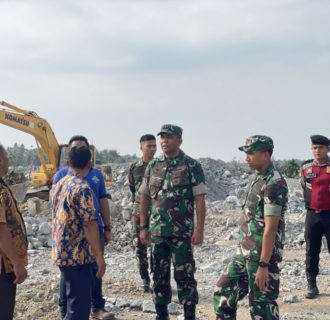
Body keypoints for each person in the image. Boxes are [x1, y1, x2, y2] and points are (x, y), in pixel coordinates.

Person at [213, 135, 288, 320]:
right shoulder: (258, 178)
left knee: (261, 307)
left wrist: (263, 265)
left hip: (262, 257)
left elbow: (271, 228)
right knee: (224, 291)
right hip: (244, 253)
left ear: (265, 155)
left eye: (251, 153)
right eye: (245, 153)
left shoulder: (273, 183)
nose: (246, 157)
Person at [139, 124, 206, 320]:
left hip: (182, 234)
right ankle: (161, 315)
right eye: (162, 137)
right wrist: (143, 227)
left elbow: (200, 200)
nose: (164, 141)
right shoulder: (153, 166)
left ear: (180, 140)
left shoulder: (191, 166)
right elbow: (144, 198)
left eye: (169, 137)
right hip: (157, 233)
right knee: (158, 276)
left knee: (184, 277)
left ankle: (189, 315)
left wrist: (199, 229)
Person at [53, 135, 113, 320]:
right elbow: (89, 224)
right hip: (78, 255)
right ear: (89, 164)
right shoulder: (82, 187)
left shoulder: (60, 184)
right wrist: (99, 256)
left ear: (69, 162)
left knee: (74, 302)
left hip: (63, 250)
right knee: (79, 307)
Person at [0, 144, 28, 320]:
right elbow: (0, 228)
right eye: (7, 159)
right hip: (3, 267)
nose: (9, 163)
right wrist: (17, 263)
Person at [300, 134, 330, 299]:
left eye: (320, 148)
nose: (317, 151)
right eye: (314, 148)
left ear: (328, 149)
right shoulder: (305, 167)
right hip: (312, 215)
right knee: (311, 250)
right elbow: (304, 187)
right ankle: (311, 284)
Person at [128, 134, 157, 292]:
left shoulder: (160, 166)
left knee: (157, 248)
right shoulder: (134, 167)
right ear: (141, 147)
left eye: (154, 146)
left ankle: (157, 278)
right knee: (139, 247)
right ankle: (144, 278)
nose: (152, 149)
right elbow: (133, 190)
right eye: (149, 146)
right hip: (138, 212)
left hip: (156, 212)